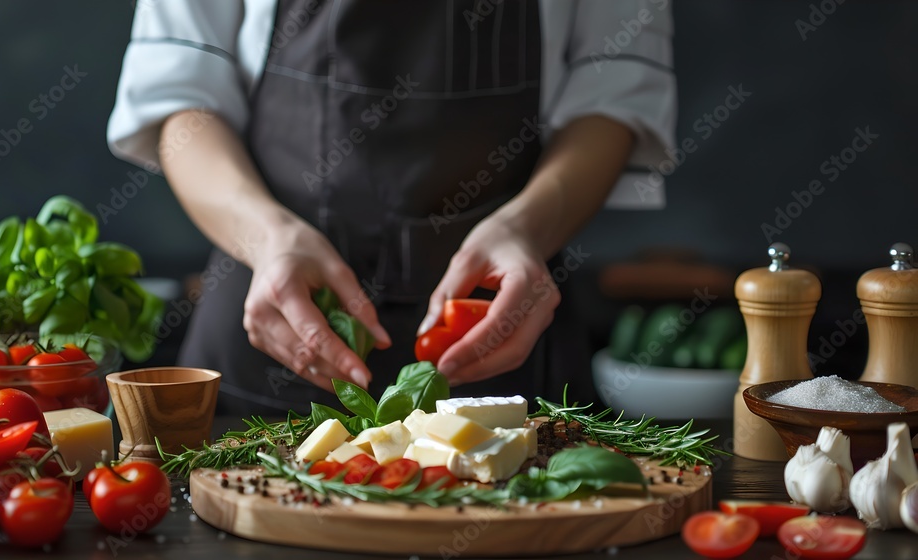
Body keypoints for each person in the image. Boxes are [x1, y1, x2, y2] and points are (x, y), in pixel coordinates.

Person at [108, 0, 676, 415]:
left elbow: (611, 97)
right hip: (273, 327)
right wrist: (268, 238)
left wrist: (526, 230)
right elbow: (182, 99)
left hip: (506, 333)